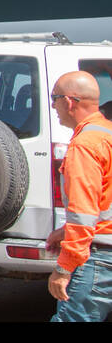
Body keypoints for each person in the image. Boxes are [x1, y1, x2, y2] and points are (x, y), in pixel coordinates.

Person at [45, 70, 112, 321]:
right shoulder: (107, 134)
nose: (53, 105)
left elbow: (84, 215)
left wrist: (64, 268)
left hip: (99, 259)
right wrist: (63, 233)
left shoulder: (85, 145)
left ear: (69, 101)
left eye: (55, 98)